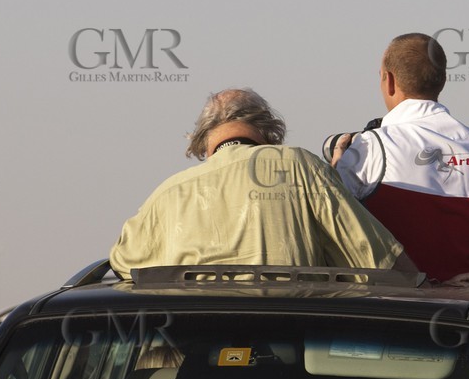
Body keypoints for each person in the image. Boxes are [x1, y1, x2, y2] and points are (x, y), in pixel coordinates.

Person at [108, 89, 418, 280]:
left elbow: (123, 263)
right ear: (271, 134)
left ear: (203, 144)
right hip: (288, 364)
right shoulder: (299, 166)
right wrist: (433, 288)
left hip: (195, 369)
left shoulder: (168, 194)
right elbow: (374, 258)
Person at [327, 33, 469, 282]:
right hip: (468, 307)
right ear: (442, 81)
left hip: (398, 307)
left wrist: (334, 169)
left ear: (389, 80)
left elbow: (329, 221)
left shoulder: (371, 144)